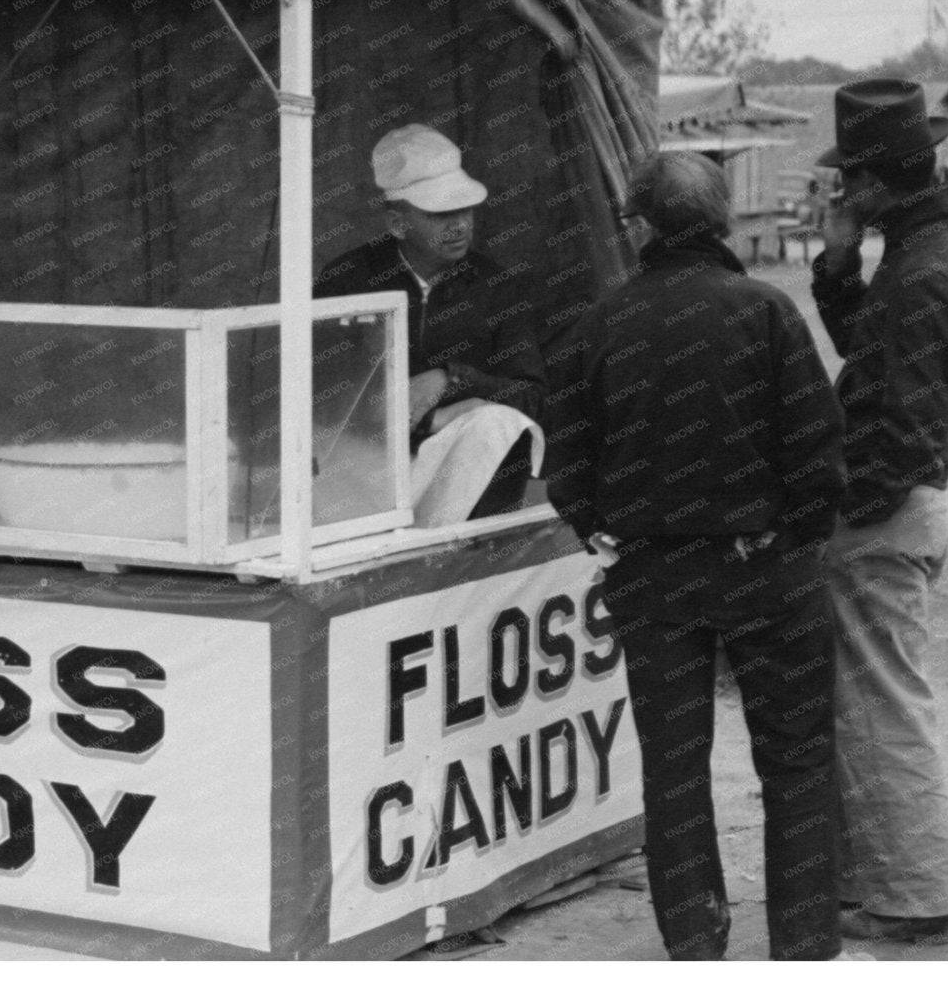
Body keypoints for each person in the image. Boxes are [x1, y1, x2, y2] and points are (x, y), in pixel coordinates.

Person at [546, 151, 847, 961]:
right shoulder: (768, 312)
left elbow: (566, 465)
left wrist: (600, 534)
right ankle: (806, 948)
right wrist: (788, 537)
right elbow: (822, 460)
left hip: (651, 576)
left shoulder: (597, 323)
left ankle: (695, 945)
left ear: (642, 225)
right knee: (797, 762)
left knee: (675, 774)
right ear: (718, 224)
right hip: (767, 568)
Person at [813, 78, 948, 946]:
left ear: (875, 182)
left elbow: (900, 421)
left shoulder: (922, 274)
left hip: (885, 508)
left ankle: (911, 895)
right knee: (883, 697)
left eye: (849, 182)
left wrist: (838, 508)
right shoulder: (943, 256)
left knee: (883, 704)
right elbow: (870, 348)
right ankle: (894, 884)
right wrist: (839, 262)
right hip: (913, 500)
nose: (842, 196)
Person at [314, 124, 544, 524]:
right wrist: (428, 418)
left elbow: (533, 396)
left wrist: (451, 379)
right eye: (440, 213)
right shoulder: (348, 280)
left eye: (465, 208)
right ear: (397, 224)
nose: (460, 225)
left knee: (497, 421)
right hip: (363, 468)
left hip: (467, 482)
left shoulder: (495, 286)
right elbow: (317, 393)